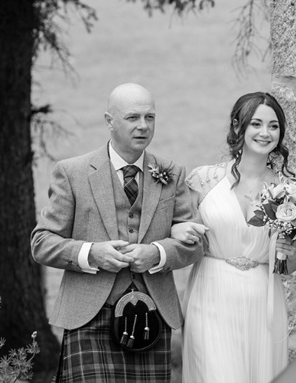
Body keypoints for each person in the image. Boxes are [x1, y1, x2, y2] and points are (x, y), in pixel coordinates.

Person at [31, 83, 206, 383]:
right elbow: (42, 242)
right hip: (89, 315)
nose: (143, 126)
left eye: (149, 117)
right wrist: (91, 253)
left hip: (151, 318)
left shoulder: (171, 172)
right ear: (109, 120)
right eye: (132, 117)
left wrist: (157, 253)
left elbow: (194, 243)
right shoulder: (72, 173)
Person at [173, 91, 296, 383]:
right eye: (256, 124)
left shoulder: (289, 192)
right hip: (211, 293)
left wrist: (290, 254)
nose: (265, 133)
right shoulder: (203, 180)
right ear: (237, 127)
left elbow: (288, 267)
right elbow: (179, 232)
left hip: (263, 297)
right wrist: (177, 230)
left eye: (273, 126)